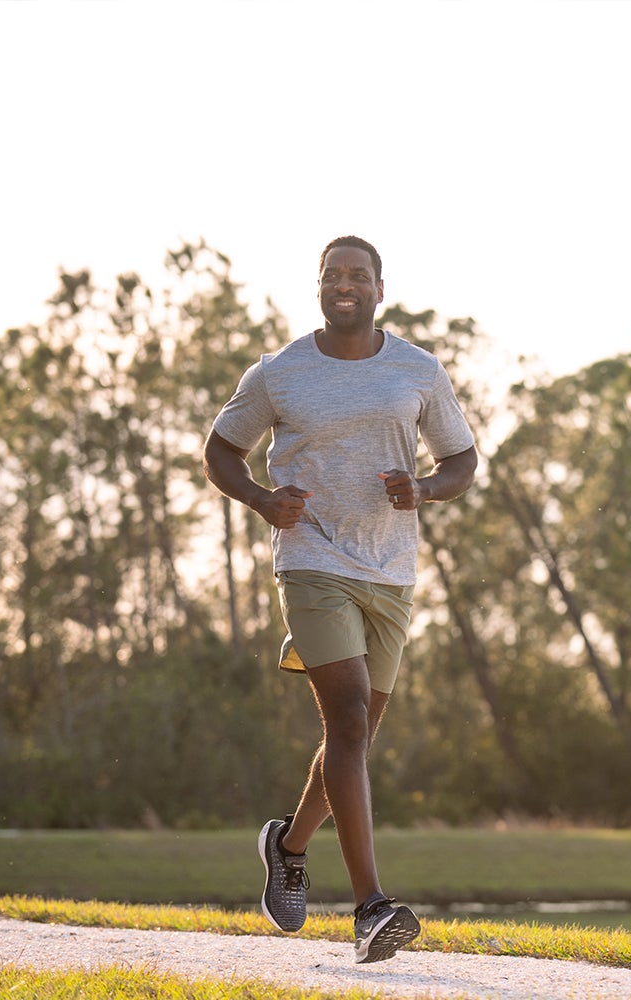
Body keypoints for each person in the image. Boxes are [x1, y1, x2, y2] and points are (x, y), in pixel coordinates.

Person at [202, 235, 478, 964]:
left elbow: (462, 459)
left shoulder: (417, 370)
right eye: (334, 275)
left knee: (352, 738)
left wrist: (424, 488)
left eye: (359, 275)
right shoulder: (280, 373)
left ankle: (288, 846)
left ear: (380, 288)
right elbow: (221, 448)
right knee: (349, 717)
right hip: (312, 559)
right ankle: (371, 908)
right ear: (319, 286)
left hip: (391, 571)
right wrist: (263, 500)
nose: (345, 285)